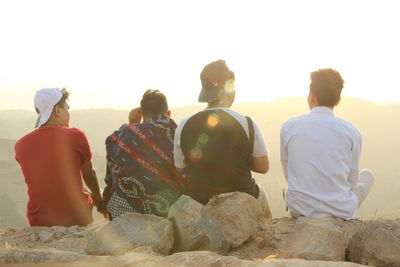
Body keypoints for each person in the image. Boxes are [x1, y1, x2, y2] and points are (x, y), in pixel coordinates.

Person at [174, 60, 272, 218]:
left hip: (200, 203)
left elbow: (180, 168)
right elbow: (262, 167)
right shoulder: (247, 123)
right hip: (241, 200)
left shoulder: (183, 125)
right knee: (263, 196)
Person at [280, 68, 375, 220]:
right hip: (339, 211)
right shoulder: (352, 131)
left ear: (311, 96)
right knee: (368, 176)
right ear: (337, 101)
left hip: (300, 209)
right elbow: (352, 182)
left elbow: (288, 173)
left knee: (292, 186)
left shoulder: (288, 127)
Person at [15, 88, 103, 227]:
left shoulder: (20, 145)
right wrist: (98, 198)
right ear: (57, 110)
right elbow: (89, 174)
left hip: (39, 221)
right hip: (77, 218)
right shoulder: (75, 136)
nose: (68, 113)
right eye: (66, 109)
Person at [102, 90, 183, 219]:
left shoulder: (127, 132)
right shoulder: (177, 133)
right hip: (168, 210)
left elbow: (114, 150)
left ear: (142, 114)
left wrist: (132, 124)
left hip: (124, 210)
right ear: (168, 113)